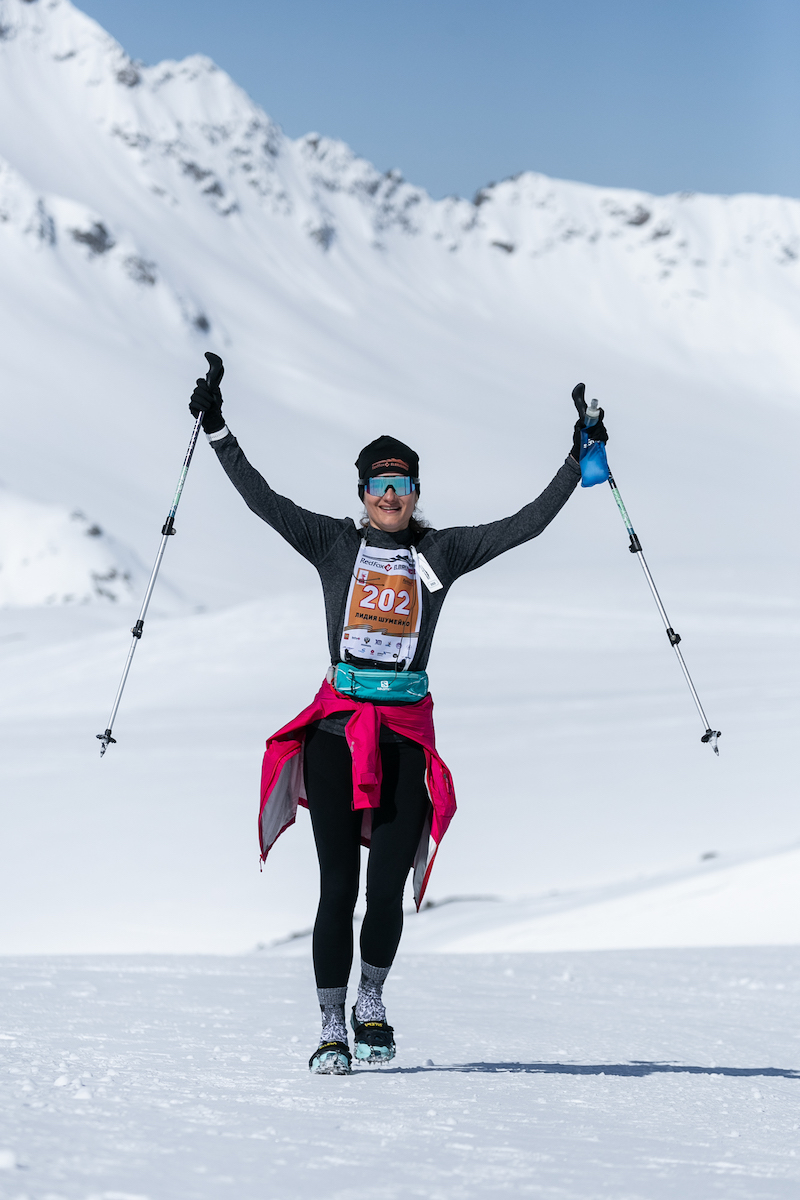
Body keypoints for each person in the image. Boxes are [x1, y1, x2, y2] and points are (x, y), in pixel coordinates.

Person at [189, 367, 606, 1075]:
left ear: (416, 492)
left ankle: (371, 1002)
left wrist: (578, 457)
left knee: (385, 890)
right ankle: (331, 1025)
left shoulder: (440, 553)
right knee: (338, 889)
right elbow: (263, 500)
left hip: (405, 738)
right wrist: (218, 429)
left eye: (402, 483)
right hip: (336, 734)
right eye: (379, 484)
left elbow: (526, 524)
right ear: (362, 493)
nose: (390, 495)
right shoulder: (332, 544)